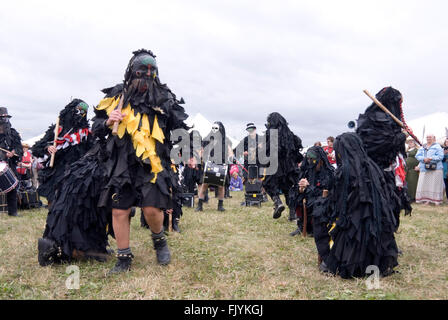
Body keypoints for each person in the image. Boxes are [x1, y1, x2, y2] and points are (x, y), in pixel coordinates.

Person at [92, 49, 189, 274]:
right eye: (141, 71)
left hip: (152, 162)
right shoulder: (117, 96)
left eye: (151, 71)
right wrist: (108, 121)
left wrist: (187, 151)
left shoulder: (164, 97)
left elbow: (180, 128)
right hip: (121, 162)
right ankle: (123, 257)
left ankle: (159, 240)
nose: (146, 76)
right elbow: (94, 128)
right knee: (119, 210)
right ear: (131, 72)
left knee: (152, 209)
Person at [318, 133, 399, 278]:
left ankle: (348, 264)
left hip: (353, 216)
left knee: (351, 229)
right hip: (373, 215)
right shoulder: (371, 166)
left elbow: (337, 199)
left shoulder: (346, 171)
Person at [356, 86, 412, 230]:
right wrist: (402, 136)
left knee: (392, 205)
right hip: (376, 173)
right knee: (380, 207)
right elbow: (381, 146)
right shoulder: (375, 120)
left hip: (389, 172)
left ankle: (388, 239)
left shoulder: (388, 120)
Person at [32, 99, 93, 207]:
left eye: (84, 112)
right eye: (78, 111)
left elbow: (92, 150)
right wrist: (47, 147)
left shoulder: (85, 133)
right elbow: (36, 148)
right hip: (56, 170)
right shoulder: (57, 129)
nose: (81, 114)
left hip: (76, 171)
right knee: (54, 200)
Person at [261, 112, 303, 219]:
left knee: (268, 184)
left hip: (276, 165)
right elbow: (297, 146)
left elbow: (267, 151)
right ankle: (292, 214)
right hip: (289, 166)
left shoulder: (271, 134)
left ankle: (278, 203)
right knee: (288, 189)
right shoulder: (290, 135)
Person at [289, 146, 334, 237]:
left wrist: (309, 187)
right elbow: (301, 188)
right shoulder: (307, 171)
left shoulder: (328, 173)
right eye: (308, 159)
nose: (310, 161)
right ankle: (302, 226)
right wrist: (301, 188)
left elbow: (326, 191)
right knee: (296, 197)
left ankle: (316, 228)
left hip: (323, 200)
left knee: (316, 202)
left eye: (312, 159)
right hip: (310, 196)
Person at [195, 121, 233, 212]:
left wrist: (231, 157)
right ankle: (200, 205)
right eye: (213, 128)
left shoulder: (225, 140)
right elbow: (201, 151)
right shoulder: (207, 139)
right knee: (205, 184)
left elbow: (230, 151)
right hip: (209, 164)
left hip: (221, 165)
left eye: (217, 128)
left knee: (221, 186)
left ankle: (220, 205)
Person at [0, 107, 23, 217]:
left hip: (9, 164)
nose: (5, 120)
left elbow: (19, 149)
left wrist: (13, 152)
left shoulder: (13, 133)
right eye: (2, 118)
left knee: (12, 188)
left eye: (6, 118)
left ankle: (13, 212)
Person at [415, 134, 445, 205]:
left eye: (430, 137)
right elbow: (417, 155)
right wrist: (424, 159)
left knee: (435, 185)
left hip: (436, 168)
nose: (428, 138)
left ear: (434, 138)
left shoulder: (438, 146)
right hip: (424, 168)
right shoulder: (422, 147)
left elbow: (440, 156)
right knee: (425, 184)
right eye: (427, 137)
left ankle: (436, 201)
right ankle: (426, 200)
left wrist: (431, 159)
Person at [405, 138, 420, 202]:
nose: (410, 143)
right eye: (409, 142)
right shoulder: (407, 150)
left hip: (413, 169)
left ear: (414, 143)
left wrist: (419, 166)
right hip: (406, 169)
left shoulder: (417, 150)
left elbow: (420, 158)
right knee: (407, 183)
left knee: (413, 183)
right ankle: (407, 196)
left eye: (411, 142)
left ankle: (413, 197)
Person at [443, 137, 448, 201]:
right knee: (446, 185)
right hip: (445, 169)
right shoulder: (443, 150)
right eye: (446, 142)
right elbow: (441, 159)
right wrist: (444, 154)